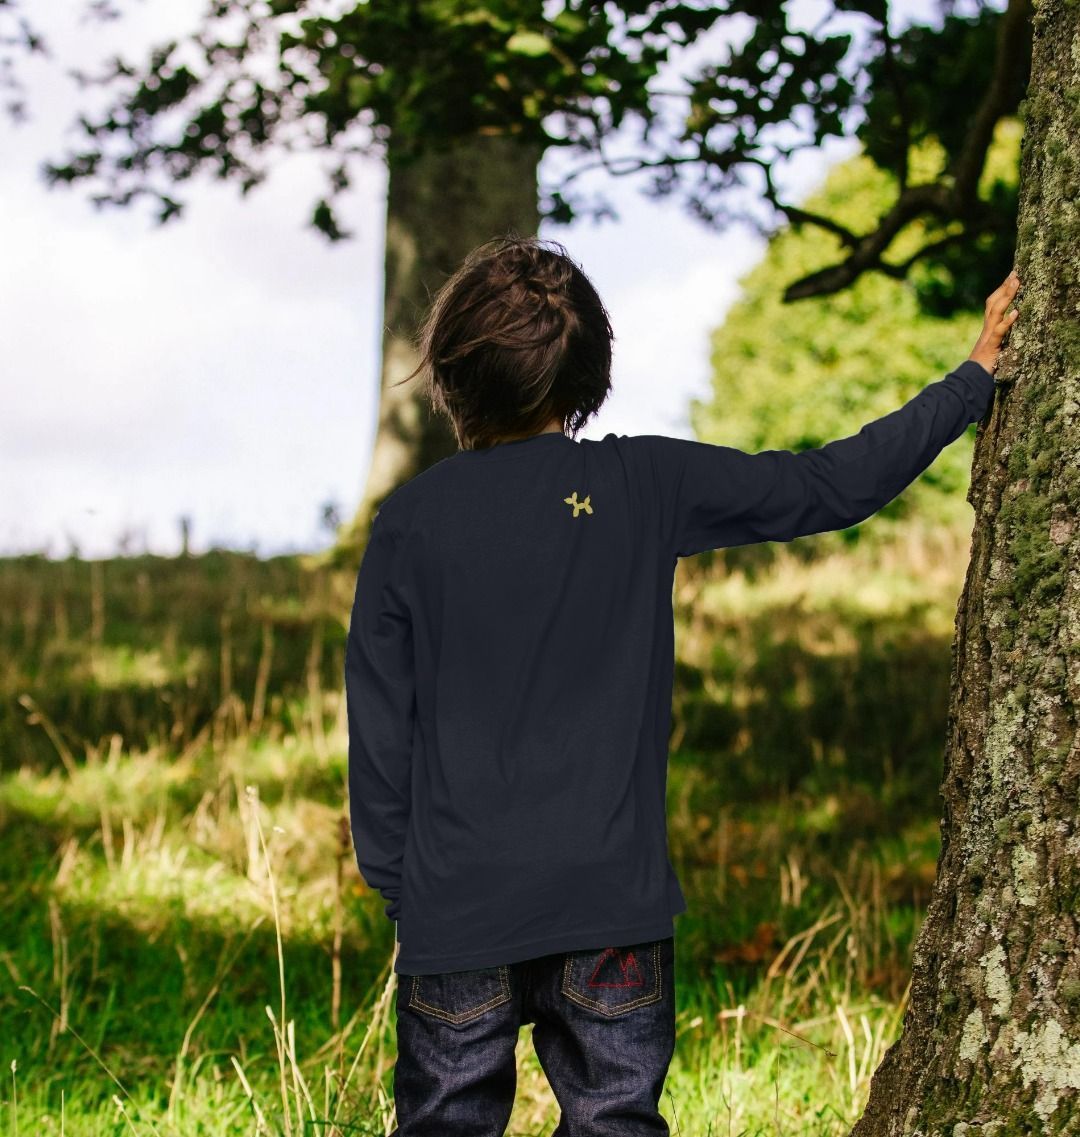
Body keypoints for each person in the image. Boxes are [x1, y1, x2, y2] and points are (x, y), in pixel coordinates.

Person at [344, 235, 1021, 1136]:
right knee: (617, 1120)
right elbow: (829, 485)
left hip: (456, 910)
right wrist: (970, 380)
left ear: (454, 373)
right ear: (588, 373)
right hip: (611, 907)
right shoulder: (642, 482)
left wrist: (402, 887)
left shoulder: (412, 521)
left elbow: (380, 725)